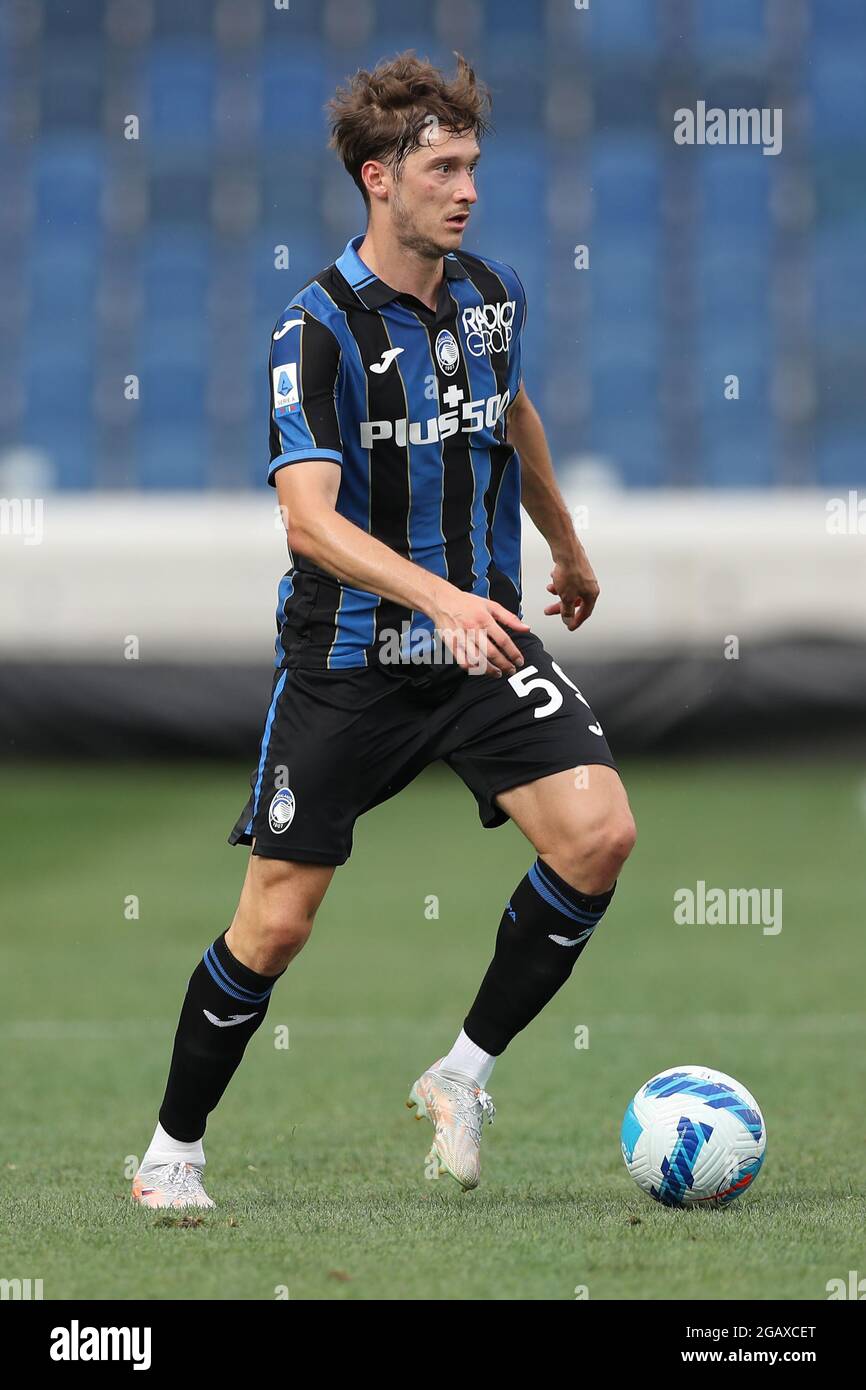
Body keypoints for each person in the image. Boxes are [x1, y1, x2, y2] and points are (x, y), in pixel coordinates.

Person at [132, 51, 636, 1210]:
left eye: (471, 165)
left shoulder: (488, 290)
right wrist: (438, 596)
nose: (465, 189)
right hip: (354, 658)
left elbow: (508, 412)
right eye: (442, 169)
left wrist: (562, 544)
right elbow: (308, 523)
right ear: (377, 179)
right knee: (276, 922)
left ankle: (460, 1075)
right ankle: (172, 1152)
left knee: (597, 834)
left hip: (479, 645)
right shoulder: (310, 330)